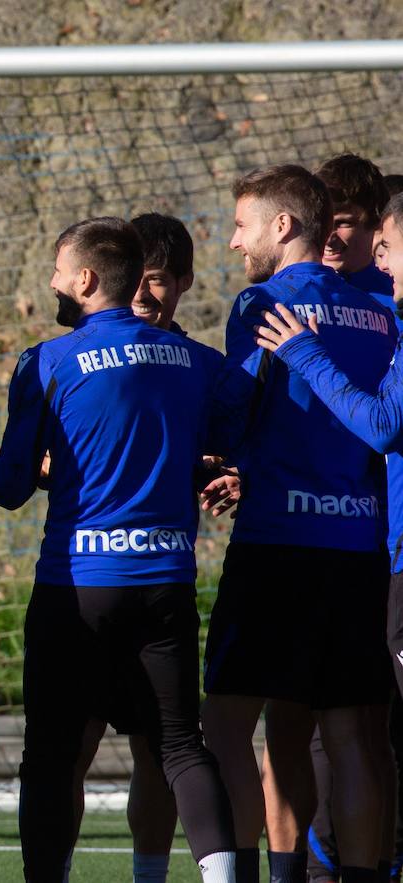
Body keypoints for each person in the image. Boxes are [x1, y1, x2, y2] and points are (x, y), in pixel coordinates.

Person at [0, 216, 241, 883]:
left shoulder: (47, 361)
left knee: (51, 753)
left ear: (85, 279)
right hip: (165, 580)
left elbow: (11, 485)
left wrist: (45, 468)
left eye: (56, 270)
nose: (50, 282)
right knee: (181, 746)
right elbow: (252, 428)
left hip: (77, 584)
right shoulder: (200, 362)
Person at [201, 164, 396, 883]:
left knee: (223, 722)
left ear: (283, 227)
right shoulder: (379, 313)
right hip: (358, 547)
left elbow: (233, 412)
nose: (233, 241)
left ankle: (240, 874)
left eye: (243, 225)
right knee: (349, 733)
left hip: (278, 542)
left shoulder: (263, 303)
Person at [68, 212, 194, 883]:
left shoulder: (195, 365)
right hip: (88, 581)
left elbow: (243, 427)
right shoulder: (75, 355)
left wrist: (223, 467)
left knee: (160, 747)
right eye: (137, 283)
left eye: (158, 284)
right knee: (75, 742)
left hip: (158, 582)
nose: (145, 297)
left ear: (183, 285)